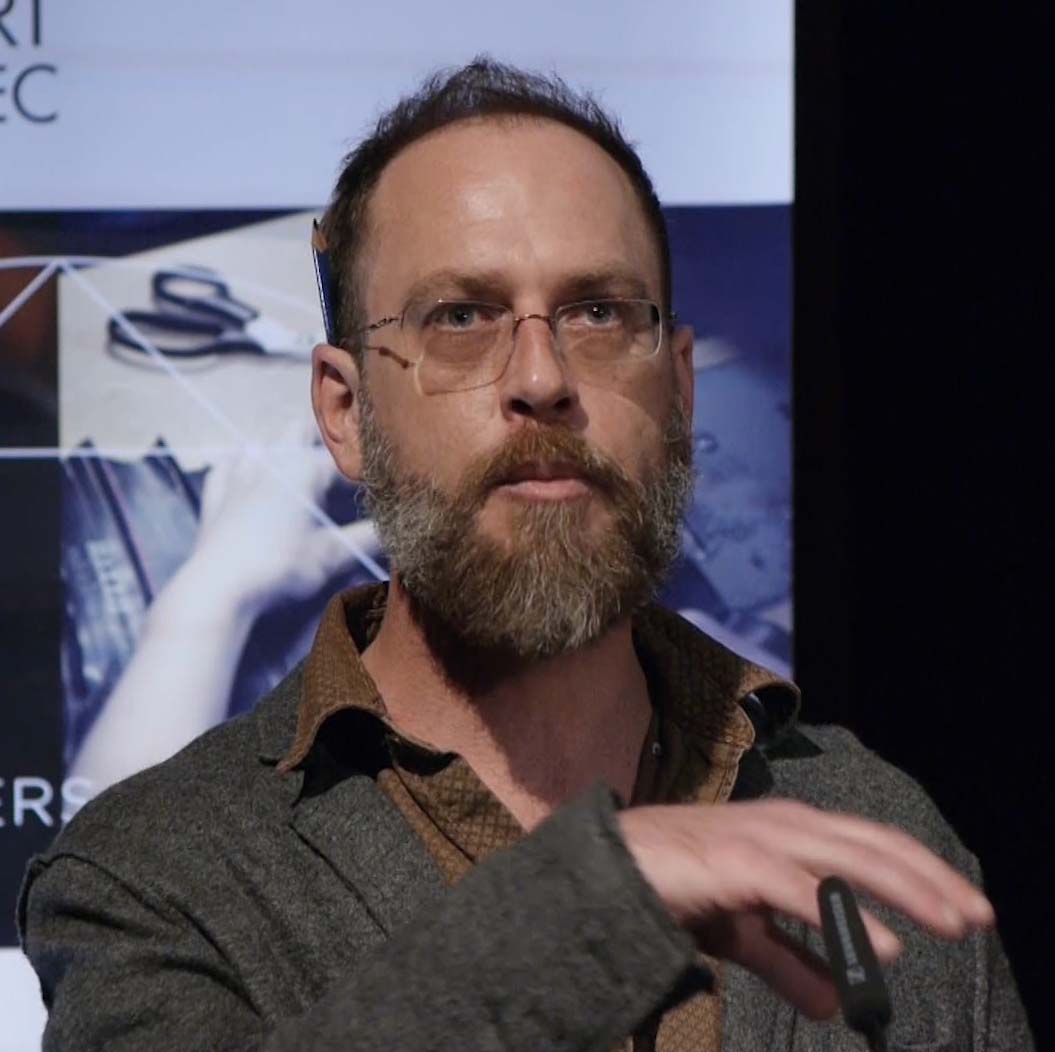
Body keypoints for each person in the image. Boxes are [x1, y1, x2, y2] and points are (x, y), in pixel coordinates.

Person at [18, 59, 1033, 1051]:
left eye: (598, 312)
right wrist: (593, 901)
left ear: (680, 392)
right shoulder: (156, 877)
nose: (541, 378)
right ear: (346, 412)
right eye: (461, 317)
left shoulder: (872, 832)